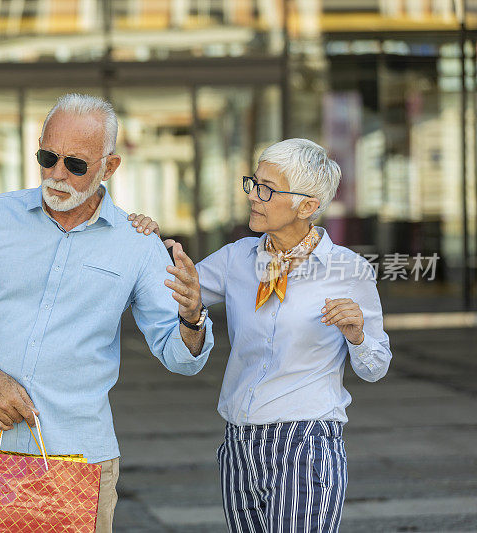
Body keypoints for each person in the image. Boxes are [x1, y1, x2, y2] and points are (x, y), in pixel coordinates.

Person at [0, 93, 213, 532]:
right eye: (47, 157)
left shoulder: (137, 244)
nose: (57, 174)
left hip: (79, 460)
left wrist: (192, 317)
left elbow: (179, 356)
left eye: (75, 164)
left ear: (109, 167)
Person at [128, 138, 392, 532]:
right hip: (239, 443)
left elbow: (376, 366)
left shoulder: (348, 271)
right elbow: (173, 287)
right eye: (253, 183)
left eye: (267, 189)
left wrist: (357, 335)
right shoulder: (237, 258)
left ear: (307, 206)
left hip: (306, 441)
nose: (254, 196)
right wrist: (145, 239)